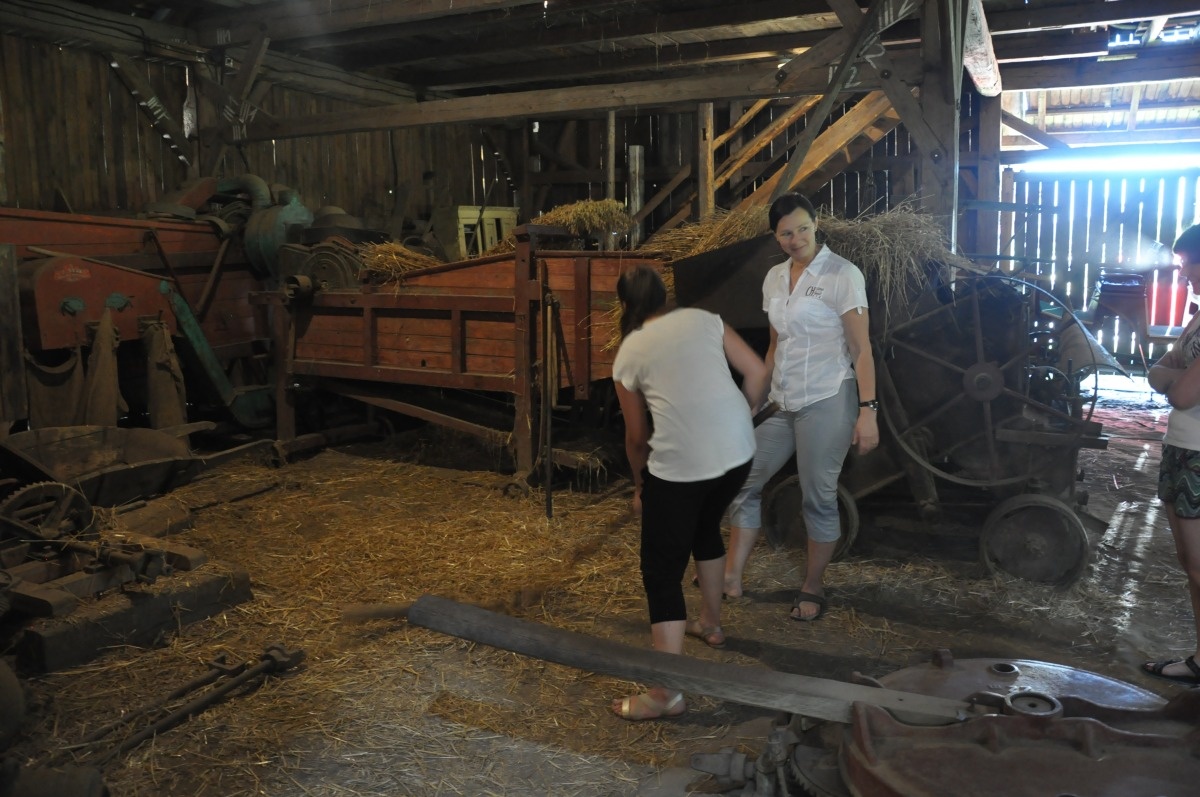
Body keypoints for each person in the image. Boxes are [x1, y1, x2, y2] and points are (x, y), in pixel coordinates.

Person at [609, 265, 770, 721]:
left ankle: (666, 694)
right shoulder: (704, 319)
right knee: (705, 527)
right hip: (738, 454)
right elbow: (758, 372)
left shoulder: (630, 351)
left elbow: (636, 437)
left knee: (661, 571)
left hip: (683, 467)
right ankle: (711, 624)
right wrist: (741, 414)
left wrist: (641, 486)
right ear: (664, 295)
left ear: (625, 305)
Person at [724, 193, 879, 620]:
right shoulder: (775, 277)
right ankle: (732, 576)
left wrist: (868, 409)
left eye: (803, 229)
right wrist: (753, 402)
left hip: (827, 398)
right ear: (776, 237)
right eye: (786, 233)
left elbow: (861, 349)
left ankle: (812, 587)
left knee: (817, 498)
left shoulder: (842, 274)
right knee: (742, 480)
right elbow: (776, 345)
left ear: (816, 224)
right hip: (782, 400)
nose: (796, 239)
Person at [1143, 223, 1200, 685]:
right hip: (1181, 447)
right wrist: (1173, 378)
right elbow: (1158, 369)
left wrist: (1174, 379)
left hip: (1198, 453)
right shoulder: (1199, 317)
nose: (1183, 275)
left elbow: (1179, 392)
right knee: (1190, 564)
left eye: (1186, 265)